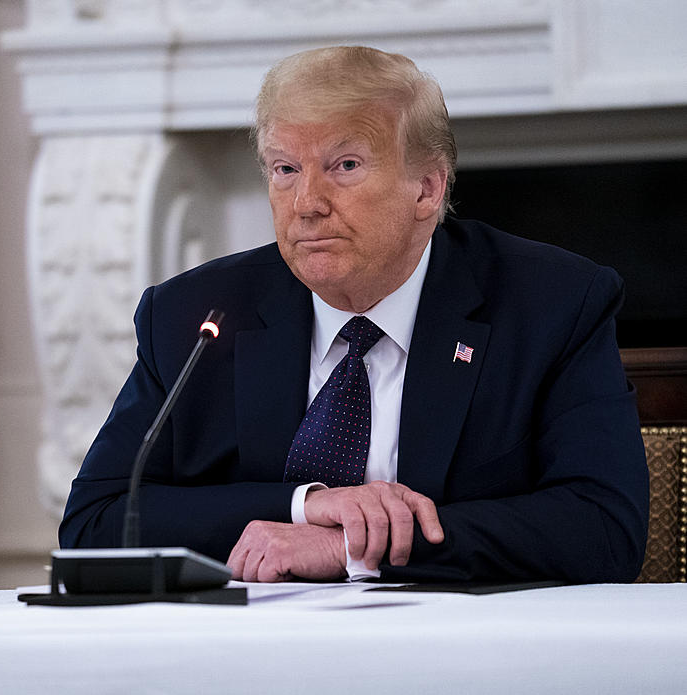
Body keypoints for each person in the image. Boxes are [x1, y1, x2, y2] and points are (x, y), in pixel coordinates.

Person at [59, 46, 649, 584]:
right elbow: (97, 524)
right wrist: (305, 505)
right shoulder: (196, 316)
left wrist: (355, 550)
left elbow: (602, 529)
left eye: (344, 166)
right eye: (285, 169)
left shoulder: (551, 303)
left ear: (427, 189)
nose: (307, 204)